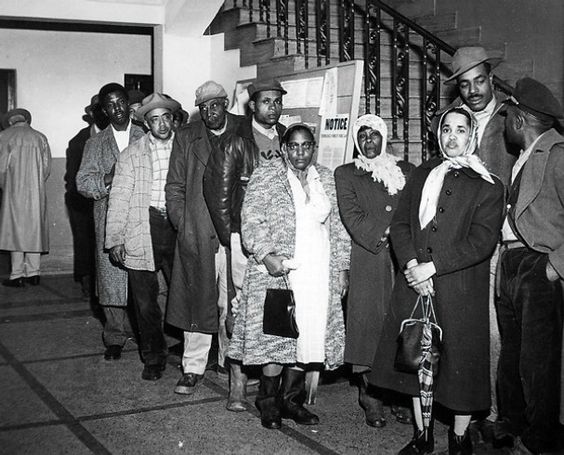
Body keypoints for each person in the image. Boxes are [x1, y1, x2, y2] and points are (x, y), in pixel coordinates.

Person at [370, 107, 504, 455]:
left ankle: (459, 437)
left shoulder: (488, 185)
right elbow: (401, 224)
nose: (453, 136)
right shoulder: (422, 173)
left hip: (459, 289)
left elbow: (482, 241)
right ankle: (422, 435)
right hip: (414, 284)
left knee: (460, 361)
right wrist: (413, 265)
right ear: (438, 134)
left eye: (461, 130)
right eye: (447, 129)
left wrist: (433, 267)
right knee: (415, 355)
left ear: (472, 136)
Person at [227, 123, 351, 429]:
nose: (300, 152)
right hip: (280, 272)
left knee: (307, 337)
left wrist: (342, 268)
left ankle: (291, 401)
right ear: (284, 148)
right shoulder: (267, 175)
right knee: (277, 338)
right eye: (293, 146)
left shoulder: (325, 178)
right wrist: (266, 255)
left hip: (317, 272)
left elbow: (338, 227)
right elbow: (251, 219)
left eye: (306, 146)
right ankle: (268, 402)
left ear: (314, 147)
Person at [440, 46, 518, 442]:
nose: (473, 90)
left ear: (492, 79)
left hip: (508, 239)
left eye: (480, 81)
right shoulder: (453, 122)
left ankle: (499, 413)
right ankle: (474, 410)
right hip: (465, 242)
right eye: (465, 84)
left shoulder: (513, 117)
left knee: (501, 331)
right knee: (474, 328)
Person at [203, 78, 287, 411]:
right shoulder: (236, 141)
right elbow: (217, 192)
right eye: (266, 101)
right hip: (243, 238)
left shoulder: (289, 138)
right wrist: (232, 237)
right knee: (238, 307)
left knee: (276, 308)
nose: (273, 107)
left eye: (278, 101)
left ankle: (270, 381)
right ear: (252, 105)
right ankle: (236, 380)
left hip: (280, 240)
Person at [497, 77, 564, 455]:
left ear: (520, 120)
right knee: (513, 355)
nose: (504, 122)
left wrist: (554, 265)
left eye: (508, 115)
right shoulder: (525, 154)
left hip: (538, 265)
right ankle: (515, 427)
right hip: (512, 262)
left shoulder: (557, 154)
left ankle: (539, 441)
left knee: (537, 362)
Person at [334, 114, 414, 428]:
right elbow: (351, 215)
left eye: (375, 135)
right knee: (369, 329)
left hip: (401, 257)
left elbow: (412, 208)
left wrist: (404, 240)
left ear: (384, 138)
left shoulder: (404, 170)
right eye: (363, 135)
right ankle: (371, 397)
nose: (369, 141)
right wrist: (389, 233)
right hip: (369, 256)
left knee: (398, 328)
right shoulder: (347, 173)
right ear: (357, 140)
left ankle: (398, 395)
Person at [166, 80, 244, 395]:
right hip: (198, 232)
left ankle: (231, 364)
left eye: (215, 104)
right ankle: (193, 367)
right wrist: (183, 224)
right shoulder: (186, 137)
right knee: (197, 301)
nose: (209, 112)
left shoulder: (243, 130)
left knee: (232, 302)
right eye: (203, 107)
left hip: (236, 234)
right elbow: (174, 187)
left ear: (225, 103)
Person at [105, 93, 180, 381]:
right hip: (142, 229)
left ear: (172, 119)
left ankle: (187, 351)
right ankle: (153, 357)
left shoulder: (185, 148)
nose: (161, 124)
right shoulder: (131, 154)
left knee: (183, 293)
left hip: (177, 227)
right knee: (145, 302)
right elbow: (120, 197)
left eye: (165, 117)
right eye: (154, 119)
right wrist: (115, 238)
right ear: (146, 123)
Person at [77, 83, 145, 361]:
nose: (117, 109)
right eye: (110, 105)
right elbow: (82, 183)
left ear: (128, 104)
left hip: (142, 219)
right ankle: (115, 336)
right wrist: (109, 177)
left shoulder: (147, 134)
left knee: (147, 282)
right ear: (103, 110)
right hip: (109, 220)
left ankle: (150, 336)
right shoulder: (95, 143)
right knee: (112, 282)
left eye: (120, 103)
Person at [0, 108, 51, 287]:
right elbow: (46, 169)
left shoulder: (5, 136)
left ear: (11, 121)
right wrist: (35, 182)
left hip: (13, 191)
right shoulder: (40, 137)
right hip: (36, 191)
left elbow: (1, 168)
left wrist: (5, 186)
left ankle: (17, 275)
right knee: (33, 230)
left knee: (15, 232)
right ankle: (34, 273)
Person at [65, 95, 108, 298]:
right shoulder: (79, 141)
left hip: (109, 199)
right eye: (98, 110)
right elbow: (73, 179)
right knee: (85, 242)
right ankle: (87, 283)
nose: (103, 113)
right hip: (82, 202)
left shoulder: (117, 136)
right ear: (91, 114)